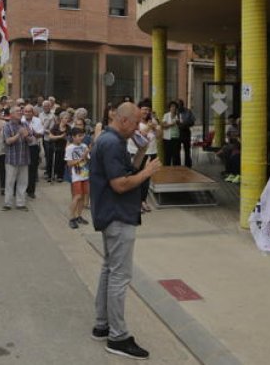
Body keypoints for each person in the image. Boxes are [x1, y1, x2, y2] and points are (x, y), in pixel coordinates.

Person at [89, 102, 161, 360]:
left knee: (109, 269)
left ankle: (102, 324)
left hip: (111, 214)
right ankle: (117, 337)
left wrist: (141, 154)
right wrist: (148, 172)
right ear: (124, 121)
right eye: (136, 123)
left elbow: (125, 169)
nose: (137, 129)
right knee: (120, 275)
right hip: (116, 214)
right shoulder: (110, 143)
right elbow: (120, 184)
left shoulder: (112, 141)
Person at [1, 106, 30, 211]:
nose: (20, 112)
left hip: (24, 158)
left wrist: (27, 136)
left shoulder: (26, 124)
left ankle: (20, 204)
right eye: (17, 111)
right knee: (9, 182)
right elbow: (8, 141)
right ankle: (7, 204)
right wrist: (19, 134)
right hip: (12, 159)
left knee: (23, 182)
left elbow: (31, 140)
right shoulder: (7, 126)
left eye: (20, 111)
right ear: (11, 114)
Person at [65, 126, 90, 229]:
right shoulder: (69, 148)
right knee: (77, 196)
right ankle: (72, 217)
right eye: (79, 136)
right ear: (73, 137)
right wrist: (82, 158)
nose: (81, 138)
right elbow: (69, 163)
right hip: (76, 175)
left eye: (82, 135)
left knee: (83, 197)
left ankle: (79, 216)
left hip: (85, 174)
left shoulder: (84, 146)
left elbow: (88, 160)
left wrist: (87, 155)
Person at [161, 101, 182, 167]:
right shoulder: (166, 115)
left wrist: (178, 123)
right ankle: (167, 170)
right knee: (168, 156)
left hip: (176, 138)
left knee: (176, 156)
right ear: (169, 108)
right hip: (167, 138)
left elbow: (181, 126)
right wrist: (172, 124)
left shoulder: (179, 115)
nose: (173, 108)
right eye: (172, 107)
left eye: (175, 107)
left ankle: (177, 171)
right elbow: (163, 126)